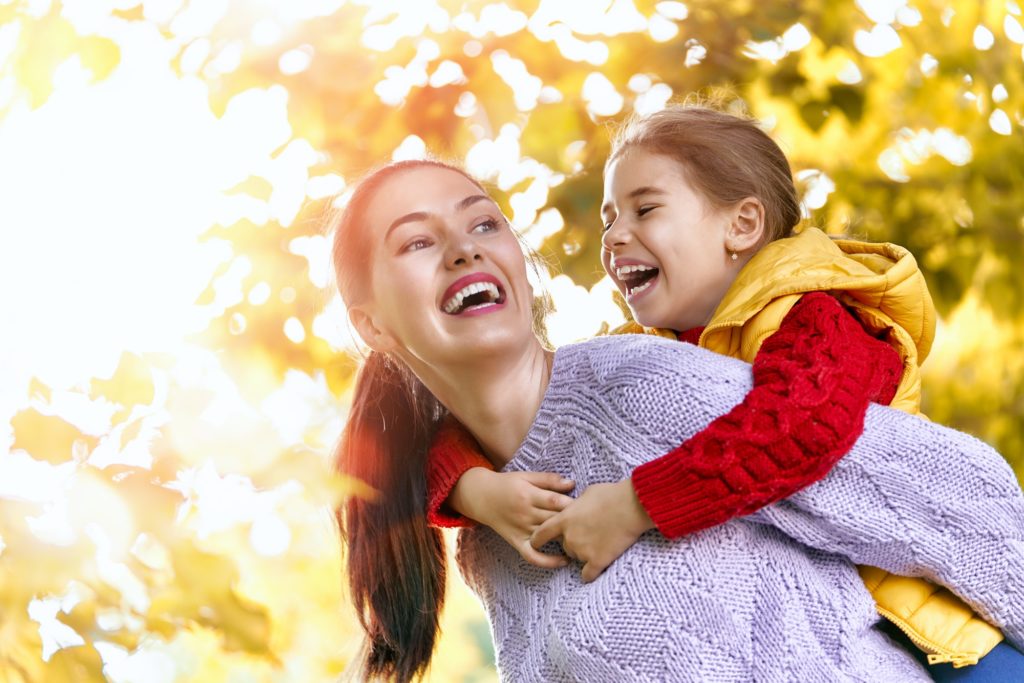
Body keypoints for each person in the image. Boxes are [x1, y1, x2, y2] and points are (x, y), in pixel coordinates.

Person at [331, 158, 1024, 682]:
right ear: (372, 325)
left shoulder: (641, 386)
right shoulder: (488, 546)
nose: (465, 247)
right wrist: (471, 489)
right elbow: (386, 464)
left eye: (485, 222)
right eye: (417, 242)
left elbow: (962, 498)